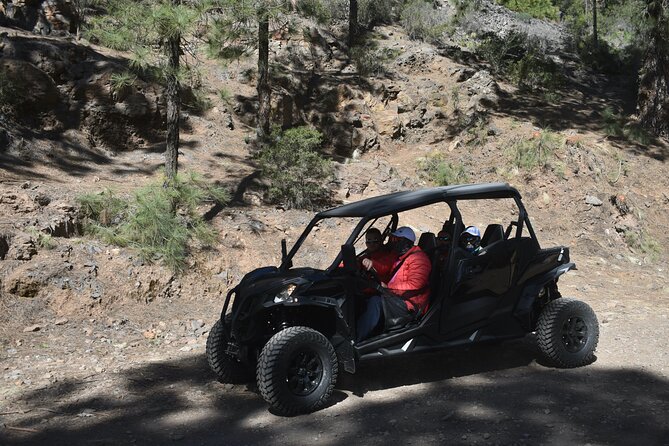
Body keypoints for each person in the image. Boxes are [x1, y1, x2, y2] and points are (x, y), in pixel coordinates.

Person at [356, 226, 431, 342]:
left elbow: (416, 284)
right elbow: (383, 266)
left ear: (406, 242)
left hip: (410, 304)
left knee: (375, 301)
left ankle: (357, 340)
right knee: (363, 296)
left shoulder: (419, 258)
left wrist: (389, 288)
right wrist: (365, 259)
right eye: (392, 239)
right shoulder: (401, 257)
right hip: (397, 298)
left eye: (396, 240)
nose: (392, 243)